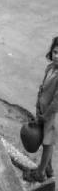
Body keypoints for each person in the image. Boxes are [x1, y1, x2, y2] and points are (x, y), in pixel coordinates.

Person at [23, 37, 58, 183]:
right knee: (45, 139)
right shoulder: (50, 68)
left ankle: (40, 172)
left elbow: (57, 100)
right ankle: (48, 168)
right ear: (51, 52)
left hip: (52, 115)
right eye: (55, 52)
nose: (57, 56)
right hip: (43, 111)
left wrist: (46, 115)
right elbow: (42, 88)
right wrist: (38, 107)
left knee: (47, 143)